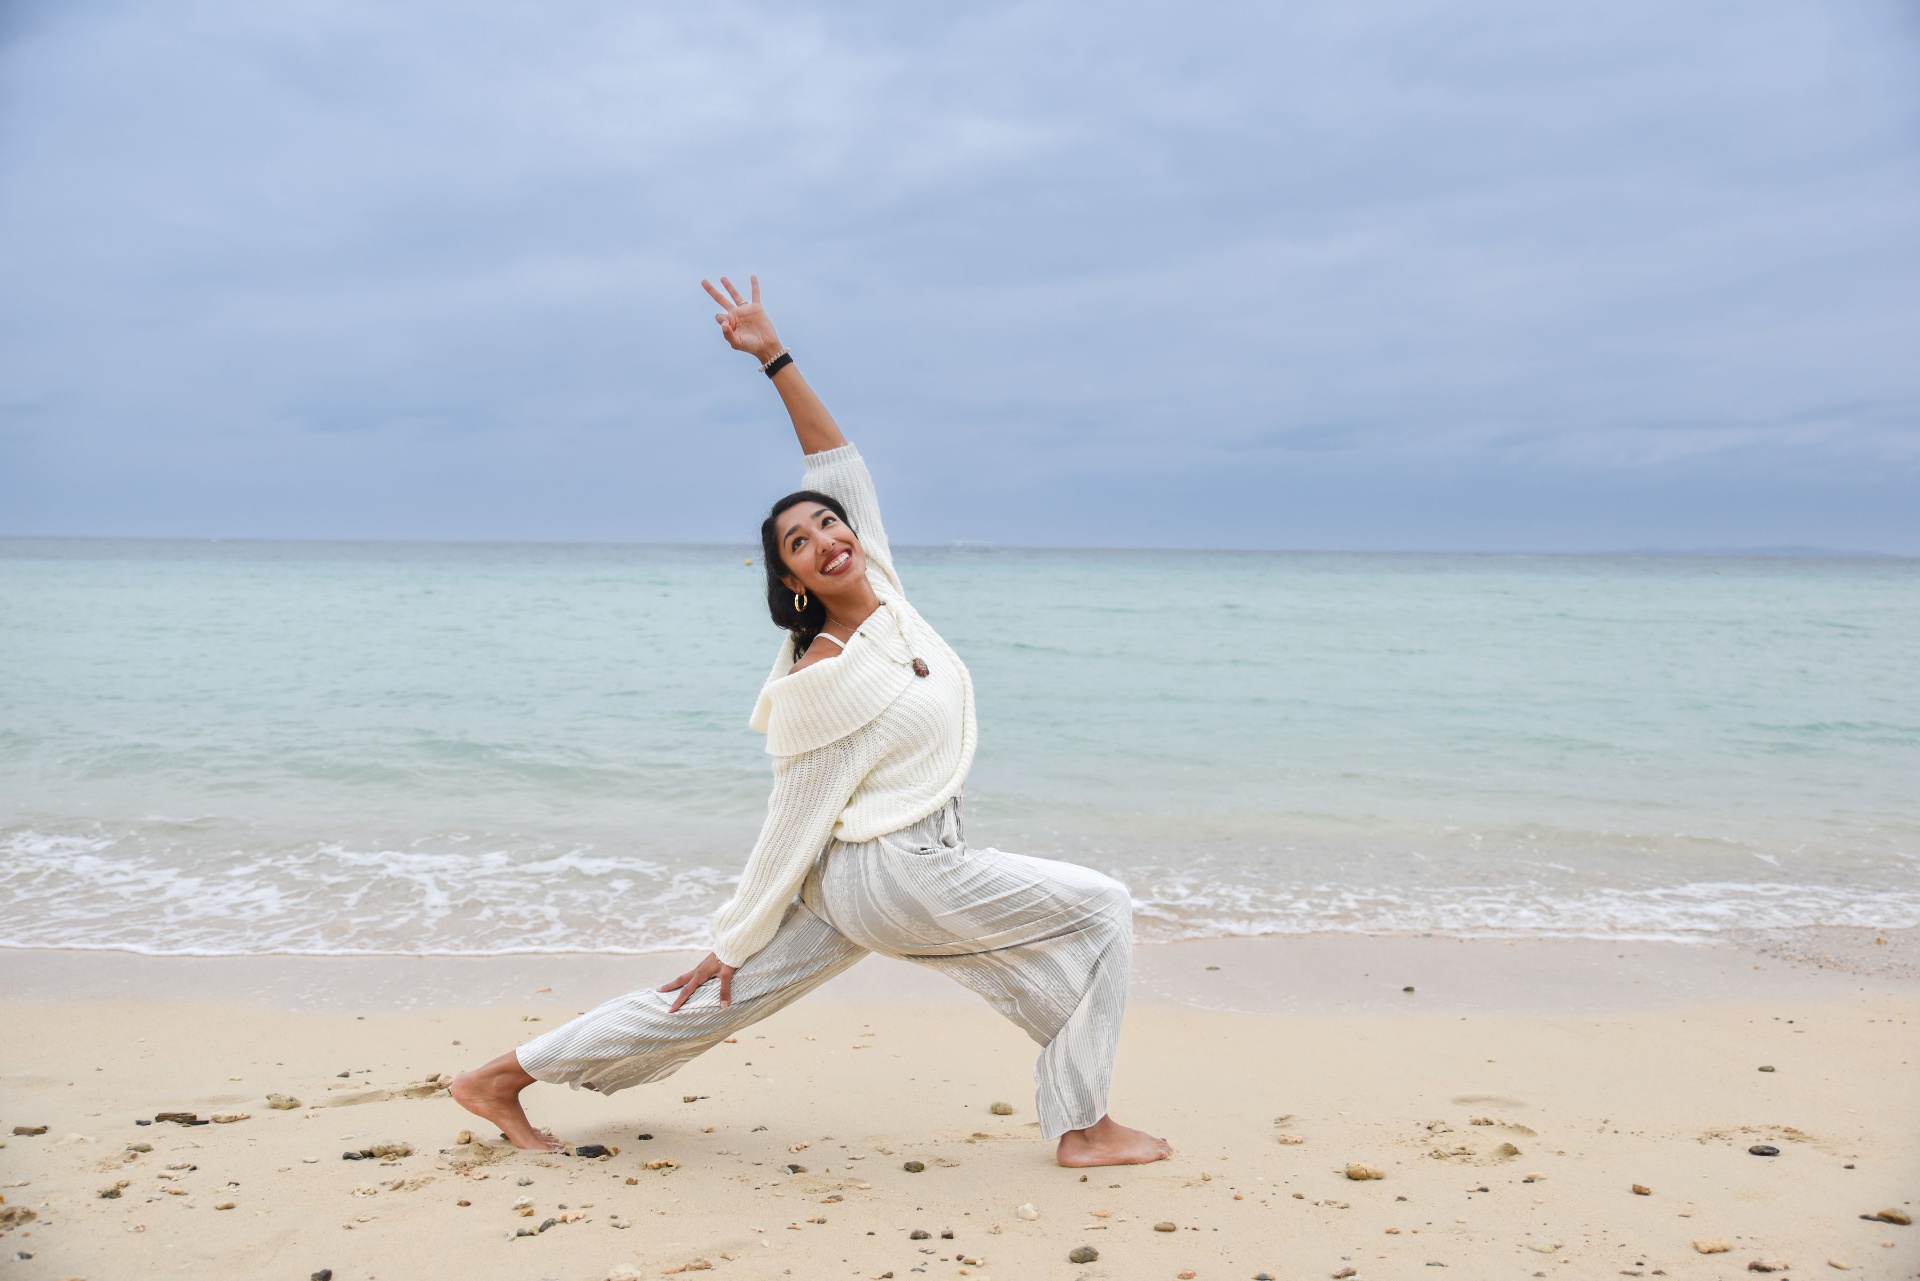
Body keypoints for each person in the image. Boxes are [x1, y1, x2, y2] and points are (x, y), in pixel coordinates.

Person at [451, 276, 1170, 1167]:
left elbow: (837, 463)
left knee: (724, 999)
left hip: (868, 875)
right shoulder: (824, 667)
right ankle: (1082, 1127)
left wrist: (773, 354)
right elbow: (793, 810)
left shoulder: (887, 595)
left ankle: (499, 1077)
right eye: (800, 541)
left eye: (830, 524)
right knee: (1101, 908)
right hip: (894, 869)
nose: (826, 535)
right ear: (792, 579)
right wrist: (731, 933)